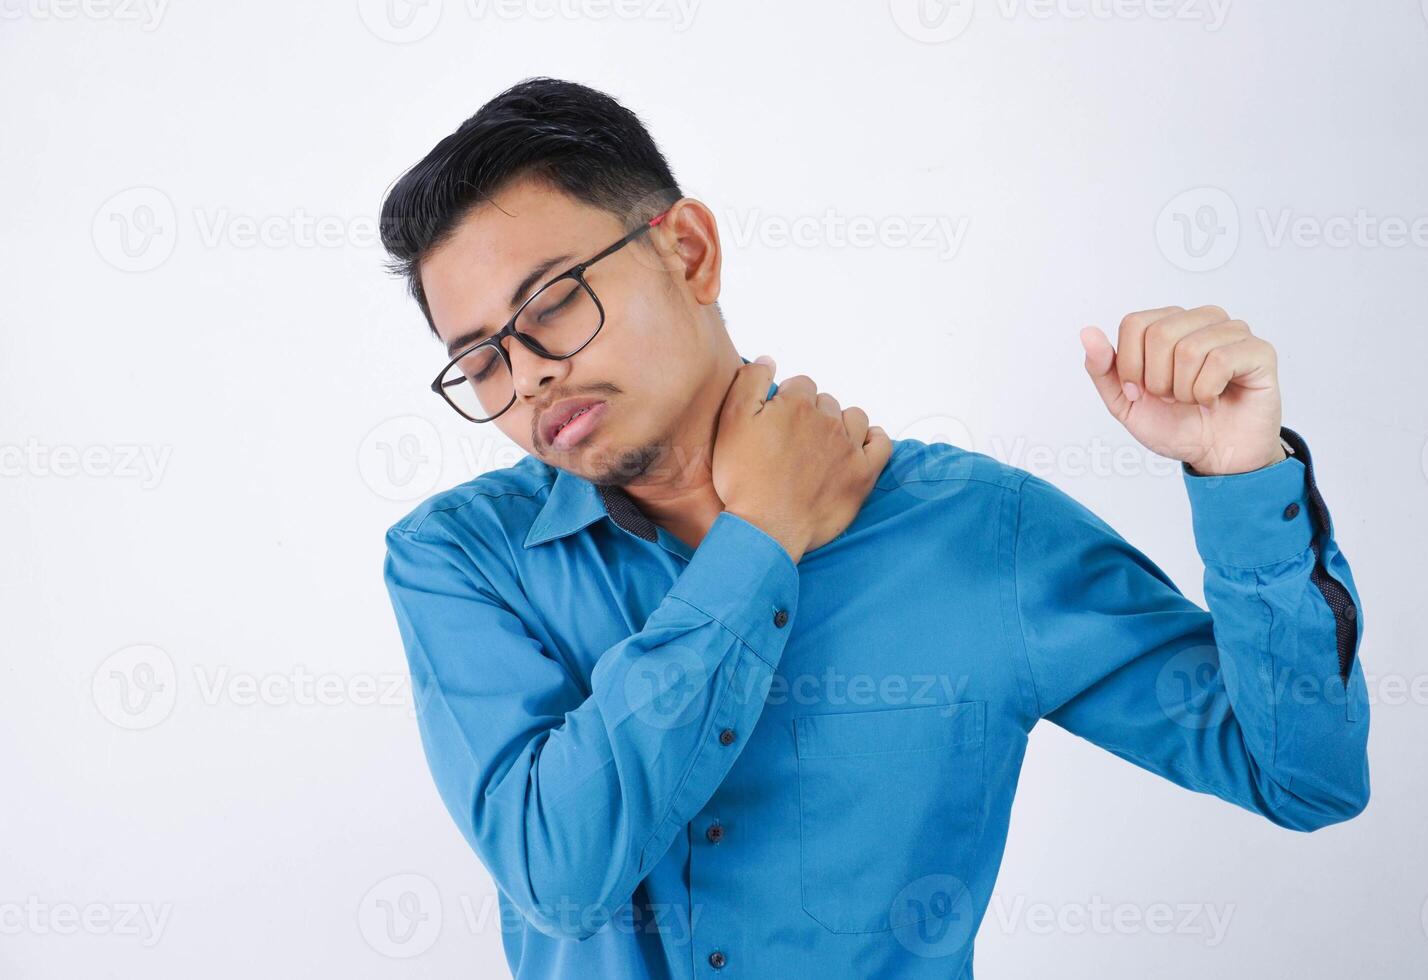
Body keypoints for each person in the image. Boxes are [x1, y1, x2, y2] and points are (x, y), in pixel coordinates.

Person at [378, 76, 1368, 979]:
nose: (531, 374)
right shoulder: (461, 559)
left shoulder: (977, 532)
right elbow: (558, 872)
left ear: (689, 251)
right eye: (482, 361)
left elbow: (1303, 776)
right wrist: (759, 539)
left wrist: (1242, 473)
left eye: (554, 301)